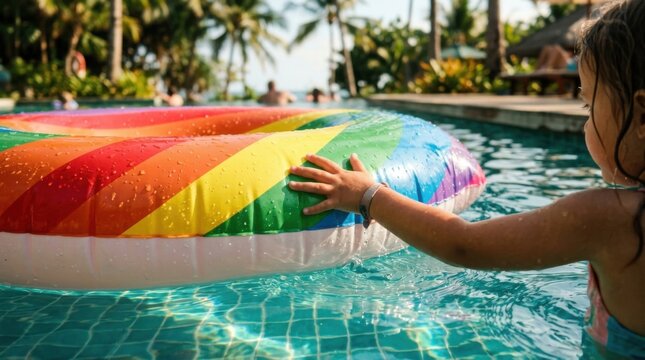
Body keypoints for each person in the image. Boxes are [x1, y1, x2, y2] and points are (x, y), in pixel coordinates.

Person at [288, 0, 645, 357]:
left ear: (641, 116)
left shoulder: (610, 218)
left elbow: (463, 243)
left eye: (588, 105)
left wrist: (368, 195)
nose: (585, 123)